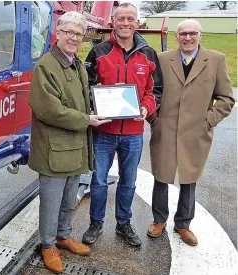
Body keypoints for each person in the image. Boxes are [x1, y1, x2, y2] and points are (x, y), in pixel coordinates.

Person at [28, 11, 110, 274]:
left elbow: (82, 98)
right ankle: (48, 244)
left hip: (74, 147)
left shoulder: (75, 63)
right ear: (59, 33)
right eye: (69, 32)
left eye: (79, 33)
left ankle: (63, 236)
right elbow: (49, 110)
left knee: (68, 199)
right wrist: (86, 119)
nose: (74, 38)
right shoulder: (46, 66)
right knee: (51, 202)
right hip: (55, 148)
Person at [147, 19, 235, 246]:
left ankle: (183, 223)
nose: (188, 38)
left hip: (197, 130)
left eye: (192, 33)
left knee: (189, 178)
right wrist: (154, 119)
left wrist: (208, 120)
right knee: (161, 175)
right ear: (177, 36)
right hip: (165, 128)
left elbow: (226, 98)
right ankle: (159, 219)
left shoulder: (216, 60)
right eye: (183, 33)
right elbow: (151, 91)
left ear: (200, 35)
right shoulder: (163, 58)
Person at [82, 2, 163, 247]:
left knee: (128, 182)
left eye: (130, 19)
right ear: (112, 22)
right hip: (103, 131)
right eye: (121, 19)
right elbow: (86, 87)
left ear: (137, 23)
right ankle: (95, 223)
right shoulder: (99, 51)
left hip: (133, 133)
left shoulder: (148, 53)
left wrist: (146, 108)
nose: (125, 23)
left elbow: (156, 90)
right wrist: (100, 100)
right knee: (98, 181)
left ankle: (123, 224)